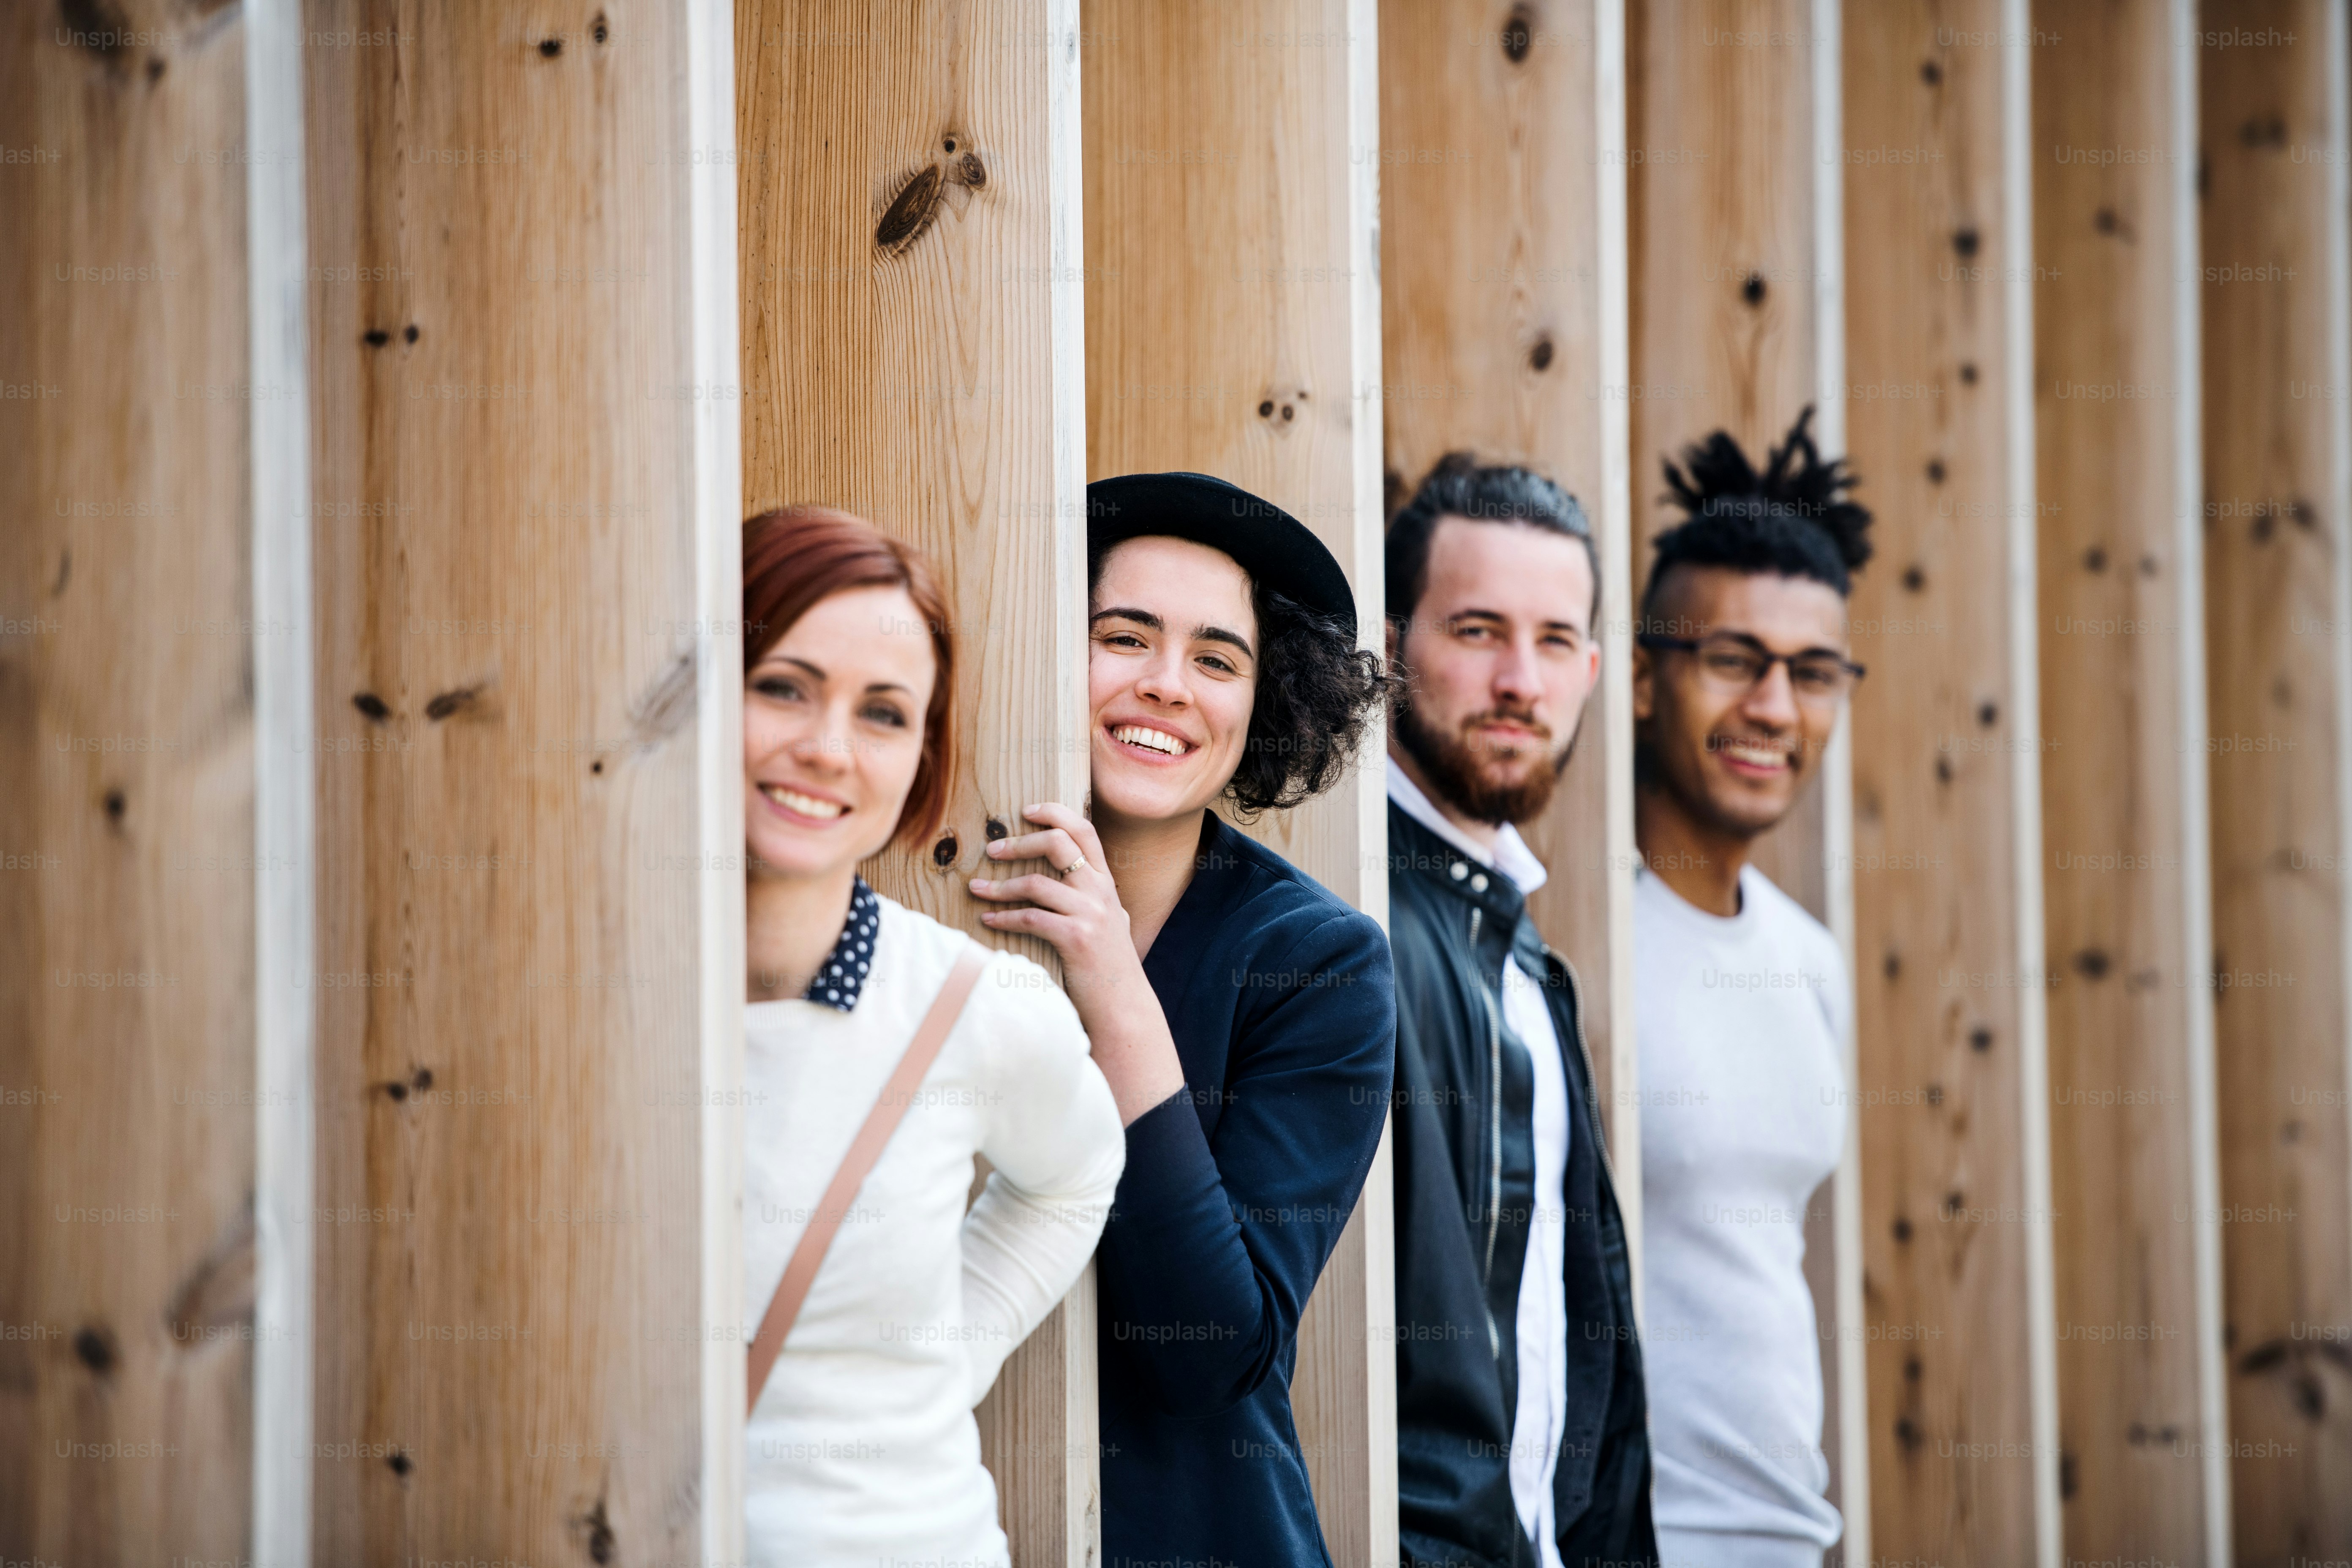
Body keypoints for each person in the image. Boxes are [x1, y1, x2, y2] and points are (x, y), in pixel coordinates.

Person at [967, 472, 1396, 1568]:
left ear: (1265, 702)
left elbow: (1207, 1354)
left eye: (1217, 659)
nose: (1166, 684)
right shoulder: (941, 883)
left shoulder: (1323, 965)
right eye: (1124, 638)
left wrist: (1113, 979)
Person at [739, 506, 1125, 1567]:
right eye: (783, 686)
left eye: (883, 712)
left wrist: (945, 1358)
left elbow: (1078, 1173)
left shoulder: (971, 1006)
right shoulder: (583, 993)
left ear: (922, 756)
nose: (826, 748)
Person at [1382, 454, 1655, 1568]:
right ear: (1391, 643)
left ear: (1592, 669)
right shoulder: (1362, 930)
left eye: (1553, 642)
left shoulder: (1524, 955)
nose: (1519, 681)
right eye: (1477, 630)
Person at [1632, 408, 1869, 1567]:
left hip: (1789, 1537)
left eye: (1813, 672)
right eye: (1733, 660)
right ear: (1644, 677)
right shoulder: (1568, 942)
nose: (1775, 707)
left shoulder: (1809, 959)